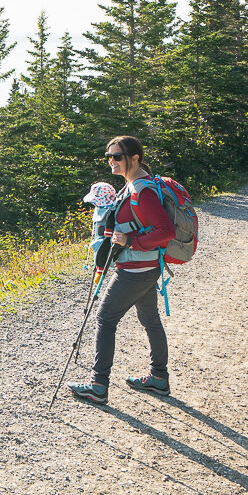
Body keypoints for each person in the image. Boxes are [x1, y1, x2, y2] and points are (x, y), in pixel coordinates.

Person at [69, 135, 171, 405]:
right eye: (108, 156)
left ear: (134, 157)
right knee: (150, 319)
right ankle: (159, 378)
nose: (111, 161)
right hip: (146, 267)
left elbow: (166, 231)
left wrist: (130, 241)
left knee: (104, 319)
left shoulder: (142, 191)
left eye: (117, 156)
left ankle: (98, 385)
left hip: (136, 269)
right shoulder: (132, 186)